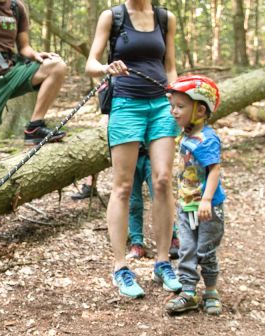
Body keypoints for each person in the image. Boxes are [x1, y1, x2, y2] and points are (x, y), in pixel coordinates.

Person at [85, 0, 181, 298]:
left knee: (162, 180)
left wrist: (177, 99)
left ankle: (163, 262)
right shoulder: (111, 17)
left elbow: (170, 66)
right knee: (123, 186)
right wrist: (107, 68)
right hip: (126, 105)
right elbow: (90, 64)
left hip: (161, 106)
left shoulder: (165, 18)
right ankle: (120, 267)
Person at [0, 0, 68, 225]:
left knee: (57, 66)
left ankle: (34, 127)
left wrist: (37, 55)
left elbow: (23, 47)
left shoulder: (17, 8)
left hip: (11, 72)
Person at [164, 75, 226, 315]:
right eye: (173, 106)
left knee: (205, 251)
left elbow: (214, 170)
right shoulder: (187, 134)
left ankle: (211, 291)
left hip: (207, 208)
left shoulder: (207, 139)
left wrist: (207, 200)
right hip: (186, 205)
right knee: (186, 249)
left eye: (180, 106)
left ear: (200, 110)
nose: (174, 111)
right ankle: (188, 292)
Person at [126, 142, 181, 260]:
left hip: (153, 153)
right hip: (130, 152)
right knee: (134, 202)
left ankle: (172, 238)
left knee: (160, 196)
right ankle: (136, 243)